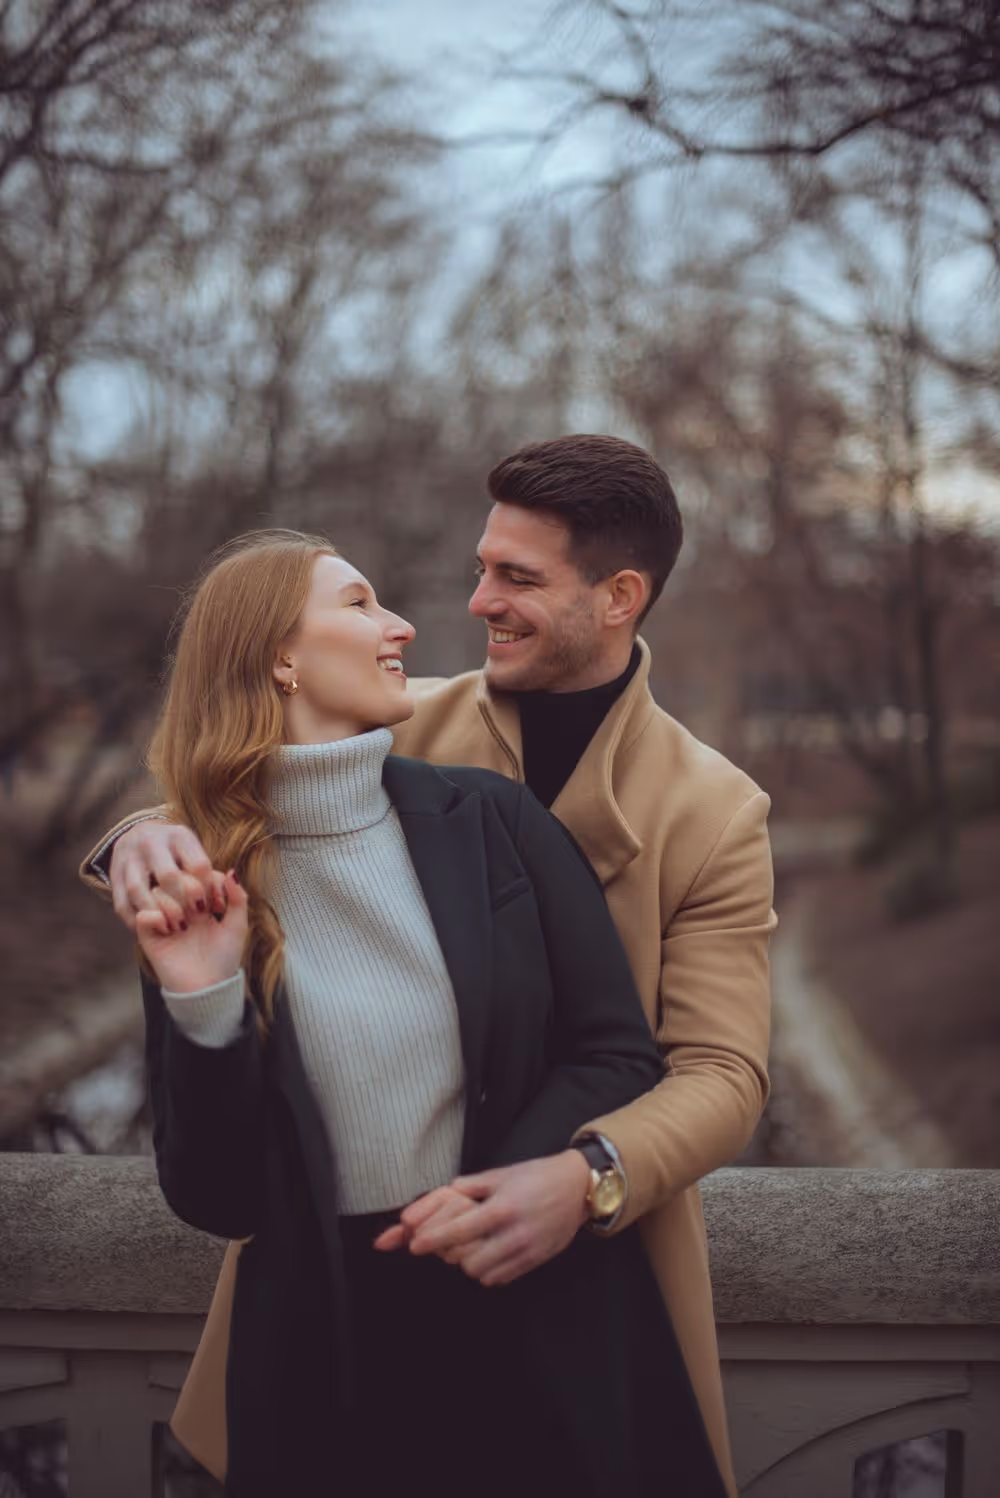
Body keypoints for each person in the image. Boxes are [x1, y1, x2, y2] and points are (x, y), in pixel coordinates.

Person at [82, 434, 775, 1497]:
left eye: (517, 578)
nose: (474, 601)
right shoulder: (406, 712)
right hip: (332, 1284)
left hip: (562, 1240)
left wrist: (583, 1176)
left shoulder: (712, 808)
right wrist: (139, 837)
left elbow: (722, 1074)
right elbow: (255, 793)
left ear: (620, 595)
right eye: (481, 566)